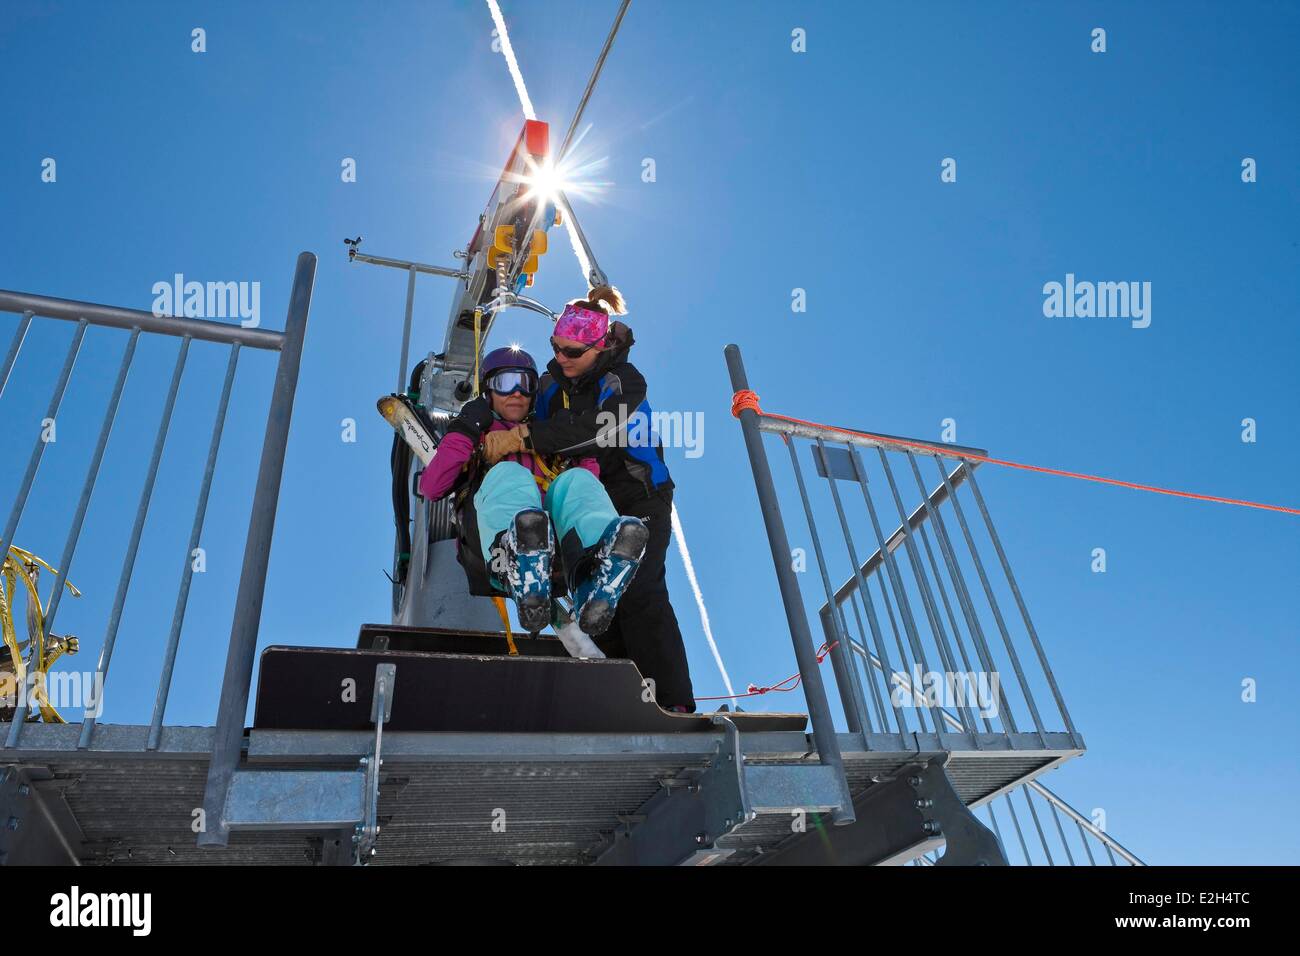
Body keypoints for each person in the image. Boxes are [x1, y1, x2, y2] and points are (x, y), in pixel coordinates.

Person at [485, 287, 696, 712]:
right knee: (596, 596)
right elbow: (513, 411)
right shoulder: (549, 386)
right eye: (556, 347)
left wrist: (524, 435)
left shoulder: (624, 381)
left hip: (639, 497)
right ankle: (623, 699)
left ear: (599, 348)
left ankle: (672, 703)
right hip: (584, 500)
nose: (562, 357)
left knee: (639, 592)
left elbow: (597, 429)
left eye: (573, 351)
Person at [379, 346, 650, 637]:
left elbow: (587, 480)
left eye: (526, 384)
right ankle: (516, 554)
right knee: (511, 475)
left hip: (557, 551)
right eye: (506, 383)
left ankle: (594, 570)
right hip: (490, 541)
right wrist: (467, 429)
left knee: (576, 482)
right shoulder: (477, 434)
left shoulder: (545, 435)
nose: (517, 392)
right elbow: (433, 487)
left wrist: (568, 444)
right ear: (488, 390)